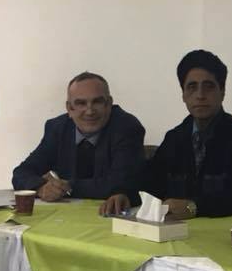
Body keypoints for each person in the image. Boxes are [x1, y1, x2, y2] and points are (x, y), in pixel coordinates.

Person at [100, 50, 232, 219]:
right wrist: (124, 194)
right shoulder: (175, 138)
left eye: (209, 86)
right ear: (183, 95)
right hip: (181, 231)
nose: (200, 95)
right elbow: (150, 183)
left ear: (222, 91)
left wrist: (194, 207)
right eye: (192, 87)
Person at [12, 72, 144, 201]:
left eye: (97, 102)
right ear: (69, 108)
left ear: (109, 104)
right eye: (81, 103)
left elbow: (121, 183)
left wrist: (67, 187)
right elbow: (21, 173)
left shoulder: (127, 127)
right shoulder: (57, 128)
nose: (90, 111)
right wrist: (41, 187)